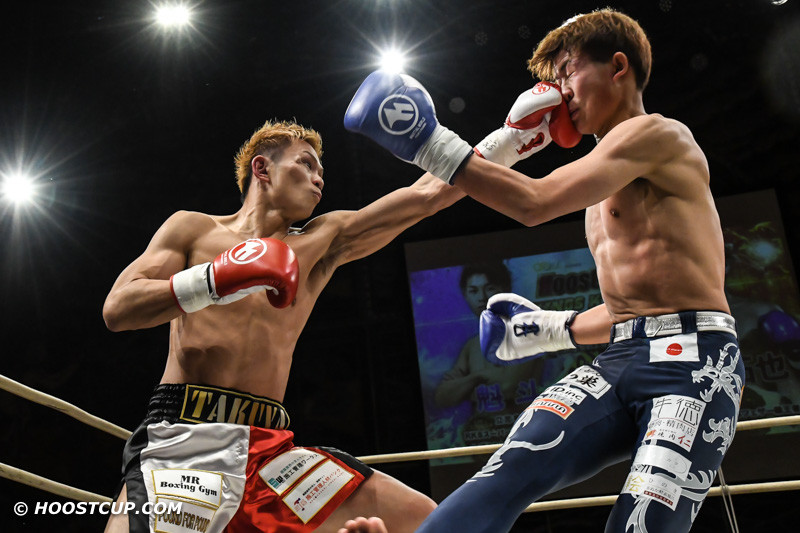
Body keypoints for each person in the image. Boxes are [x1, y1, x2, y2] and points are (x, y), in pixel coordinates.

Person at [342, 7, 744, 533]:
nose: (560, 92)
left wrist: (427, 139)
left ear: (617, 66)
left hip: (696, 362)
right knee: (507, 471)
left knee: (641, 524)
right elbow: (635, 311)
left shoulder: (657, 135)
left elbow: (533, 203)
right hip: (621, 357)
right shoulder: (603, 183)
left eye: (568, 72)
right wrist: (548, 329)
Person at [101, 119, 470, 533]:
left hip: (270, 456)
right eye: (306, 164)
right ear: (262, 169)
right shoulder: (193, 228)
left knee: (424, 517)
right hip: (183, 440)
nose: (319, 179)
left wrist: (513, 136)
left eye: (321, 172)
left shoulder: (320, 240)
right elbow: (118, 308)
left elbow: (426, 195)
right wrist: (215, 279)